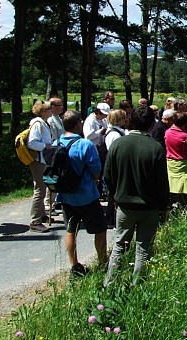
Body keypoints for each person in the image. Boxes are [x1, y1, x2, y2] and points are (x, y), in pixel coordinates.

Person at [102, 105, 170, 288]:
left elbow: (107, 175)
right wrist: (164, 206)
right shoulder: (155, 148)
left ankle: (109, 284)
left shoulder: (118, 144)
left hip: (124, 205)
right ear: (150, 125)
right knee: (143, 249)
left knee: (119, 246)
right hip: (149, 207)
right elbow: (162, 182)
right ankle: (138, 286)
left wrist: (115, 196)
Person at [57, 110, 108, 278]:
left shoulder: (57, 143)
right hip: (86, 195)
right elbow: (96, 169)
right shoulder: (85, 145)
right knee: (100, 229)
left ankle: (74, 265)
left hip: (65, 195)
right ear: (78, 124)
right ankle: (103, 262)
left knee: (71, 230)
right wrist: (94, 180)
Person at [26, 100, 54, 232]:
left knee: (43, 187)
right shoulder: (38, 124)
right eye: (49, 108)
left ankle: (42, 215)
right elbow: (32, 143)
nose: (51, 110)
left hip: (43, 160)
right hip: (38, 161)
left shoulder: (43, 123)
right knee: (40, 190)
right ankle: (35, 221)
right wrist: (46, 147)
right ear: (43, 111)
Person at [165, 112, 187, 209]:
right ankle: (182, 206)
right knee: (184, 186)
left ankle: (170, 204)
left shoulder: (167, 132)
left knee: (171, 183)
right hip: (184, 163)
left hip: (170, 162)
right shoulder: (186, 136)